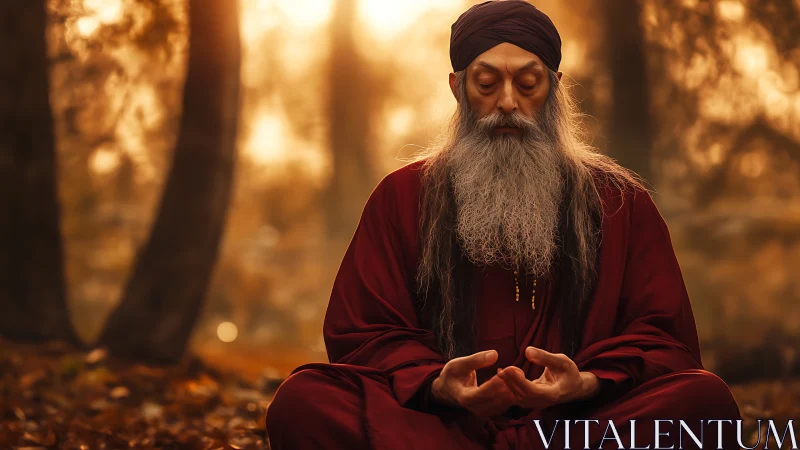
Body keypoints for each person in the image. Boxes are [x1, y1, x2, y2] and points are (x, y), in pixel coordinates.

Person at [266, 1, 742, 448]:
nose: (508, 102)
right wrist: (438, 384)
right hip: (443, 429)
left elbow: (661, 337)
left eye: (528, 83)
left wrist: (586, 383)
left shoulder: (620, 201)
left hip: (577, 427)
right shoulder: (402, 196)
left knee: (705, 401)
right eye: (487, 83)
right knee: (304, 399)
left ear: (554, 88)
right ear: (458, 88)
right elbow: (366, 331)